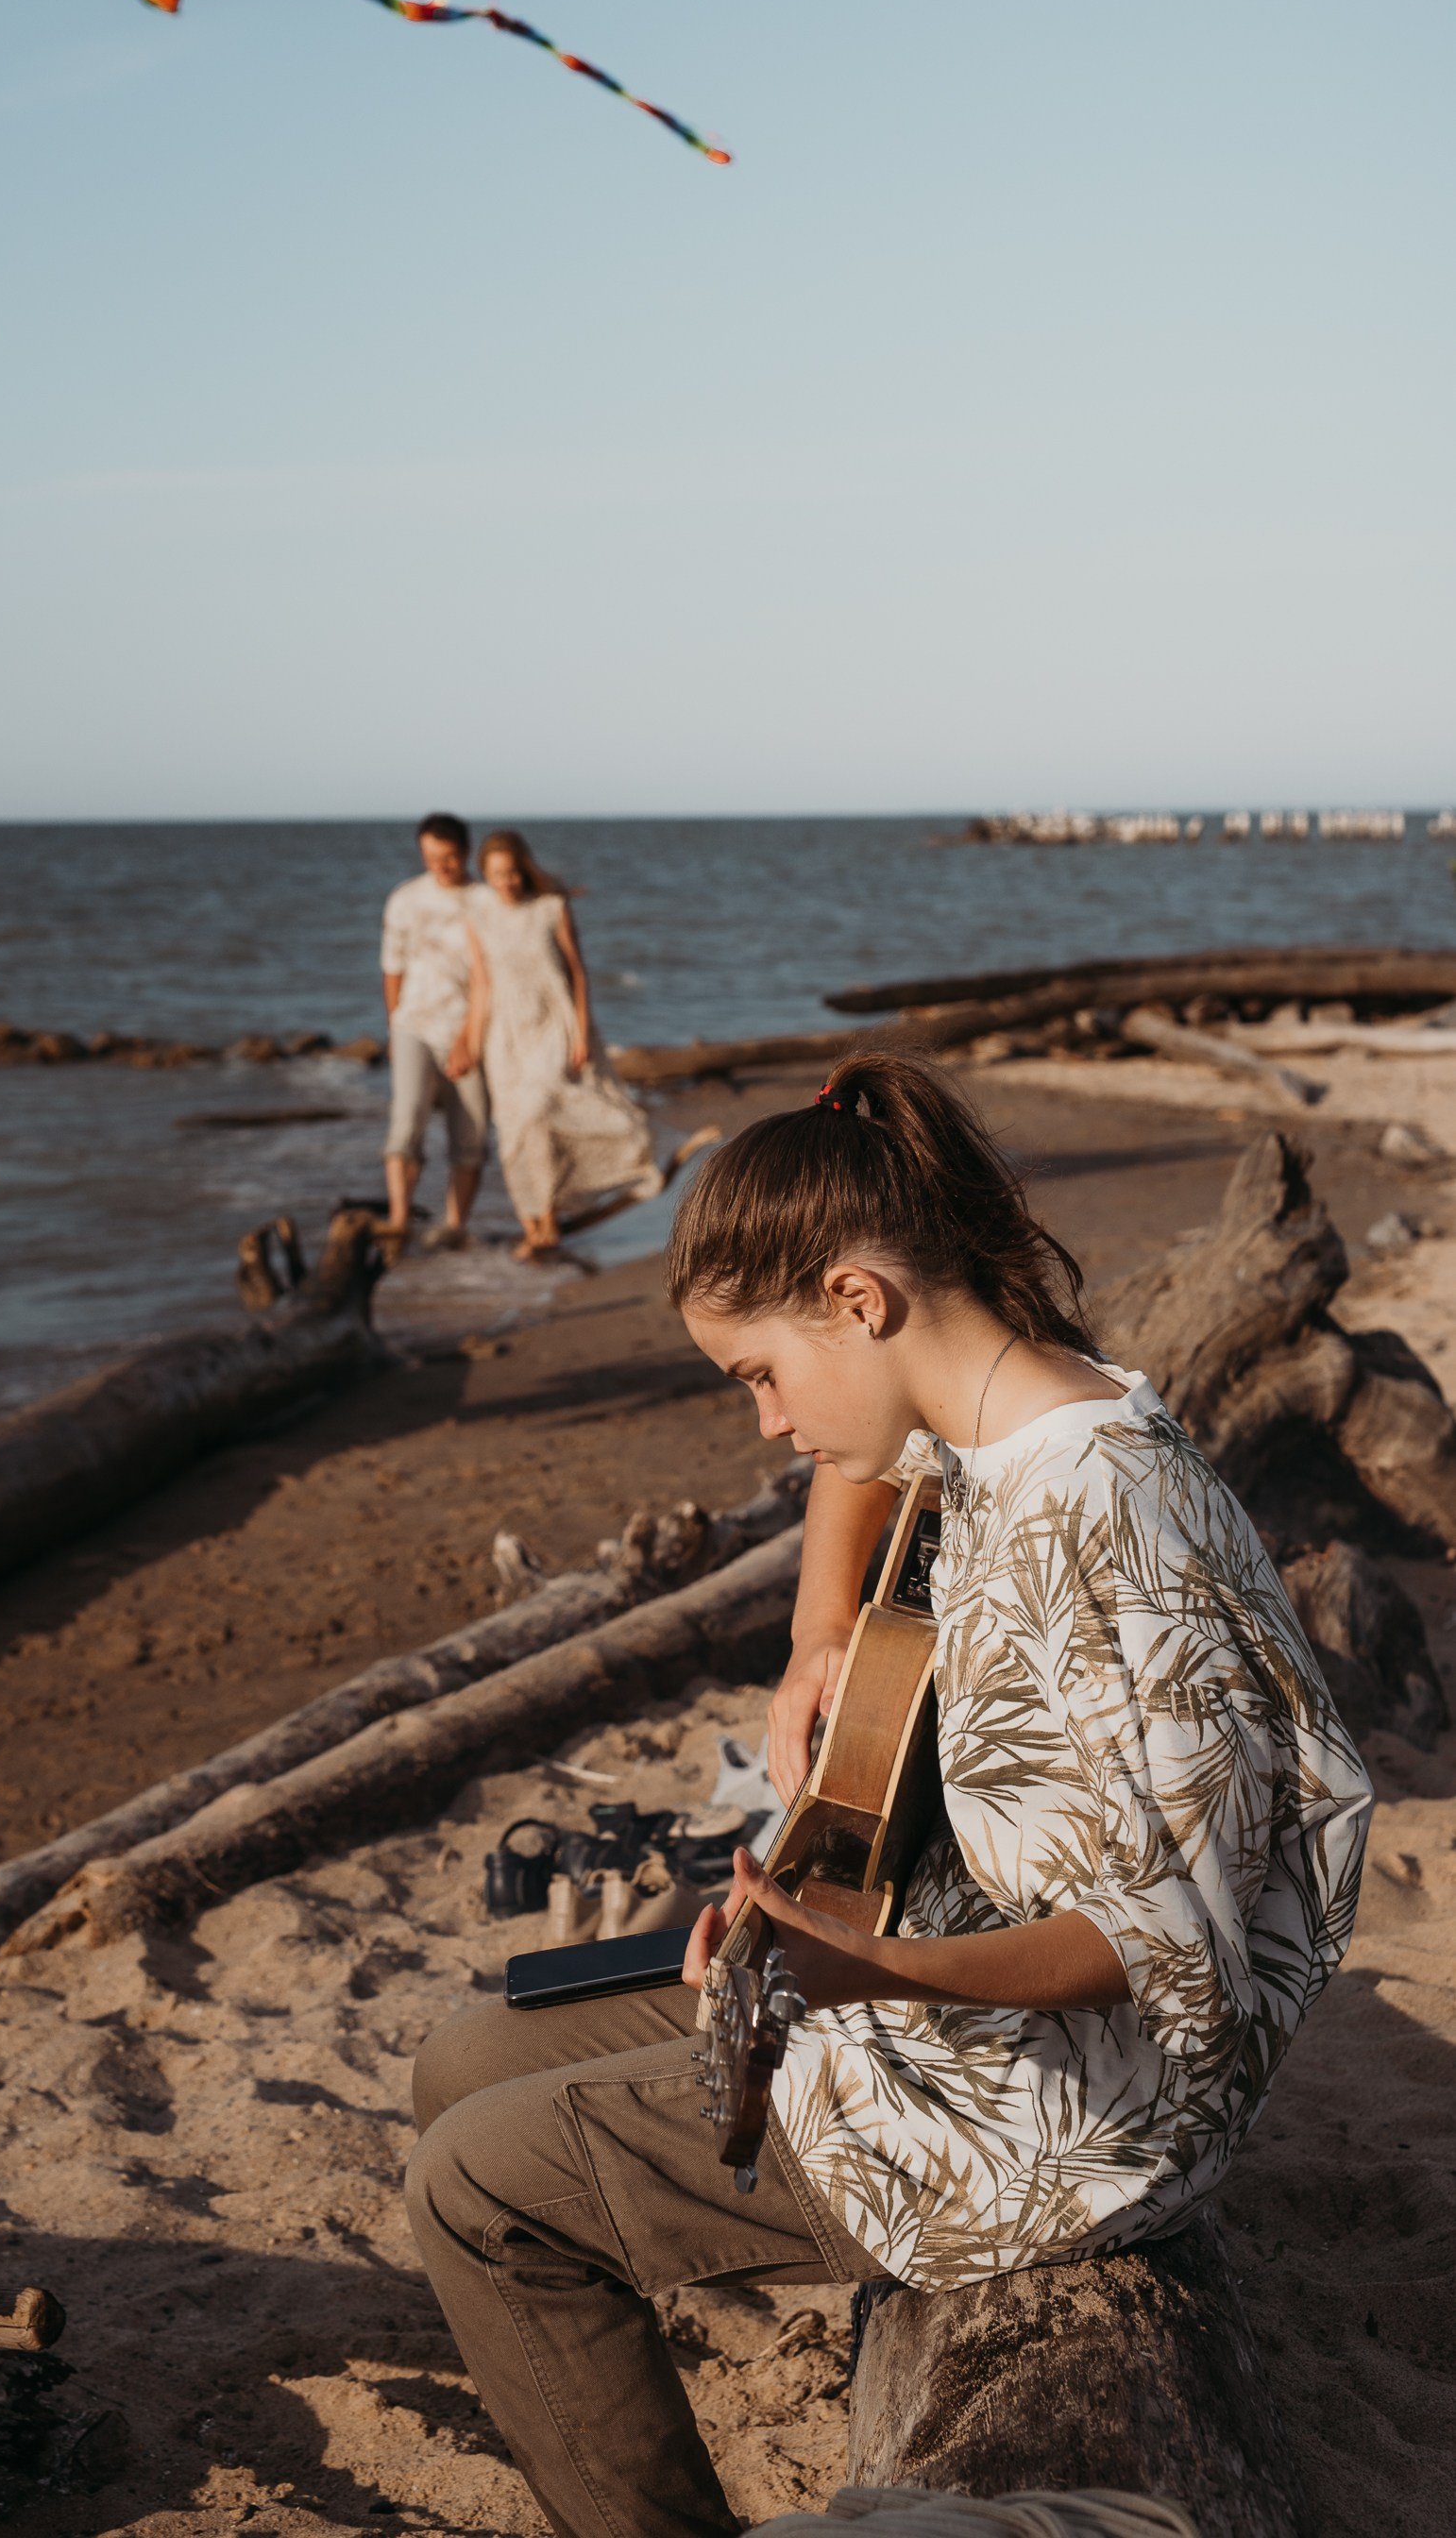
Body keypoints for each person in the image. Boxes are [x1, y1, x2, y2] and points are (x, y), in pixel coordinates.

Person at [406, 1053, 1370, 2538]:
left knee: (477, 2186)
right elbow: (866, 1450)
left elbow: (1162, 1944)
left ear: (858, 1298)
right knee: (464, 2058)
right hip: (944, 1970)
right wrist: (817, 1638)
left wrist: (866, 1968)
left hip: (1071, 2105)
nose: (764, 1423)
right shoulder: (1002, 1393)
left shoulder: (1099, 1526)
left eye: (758, 1377)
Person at [461, 828, 660, 1260]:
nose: (506, 882)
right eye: (497, 874)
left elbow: (578, 972)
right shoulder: (478, 918)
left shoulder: (551, 907)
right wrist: (469, 1045)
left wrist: (582, 1030)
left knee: (538, 1110)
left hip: (554, 1024)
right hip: (505, 1036)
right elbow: (480, 984)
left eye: (513, 872)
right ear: (485, 875)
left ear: (524, 869)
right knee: (513, 1130)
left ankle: (549, 1212)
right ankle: (532, 1224)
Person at [380, 813, 489, 1244]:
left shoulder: (484, 900)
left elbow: (492, 979)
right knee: (406, 1120)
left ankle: (454, 1228)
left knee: (472, 1132)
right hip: (414, 1026)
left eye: (448, 857)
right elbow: (393, 969)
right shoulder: (404, 899)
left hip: (472, 1029)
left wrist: (467, 1039)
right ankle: (399, 1220)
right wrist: (393, 1028)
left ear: (465, 852)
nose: (440, 866)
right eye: (430, 857)